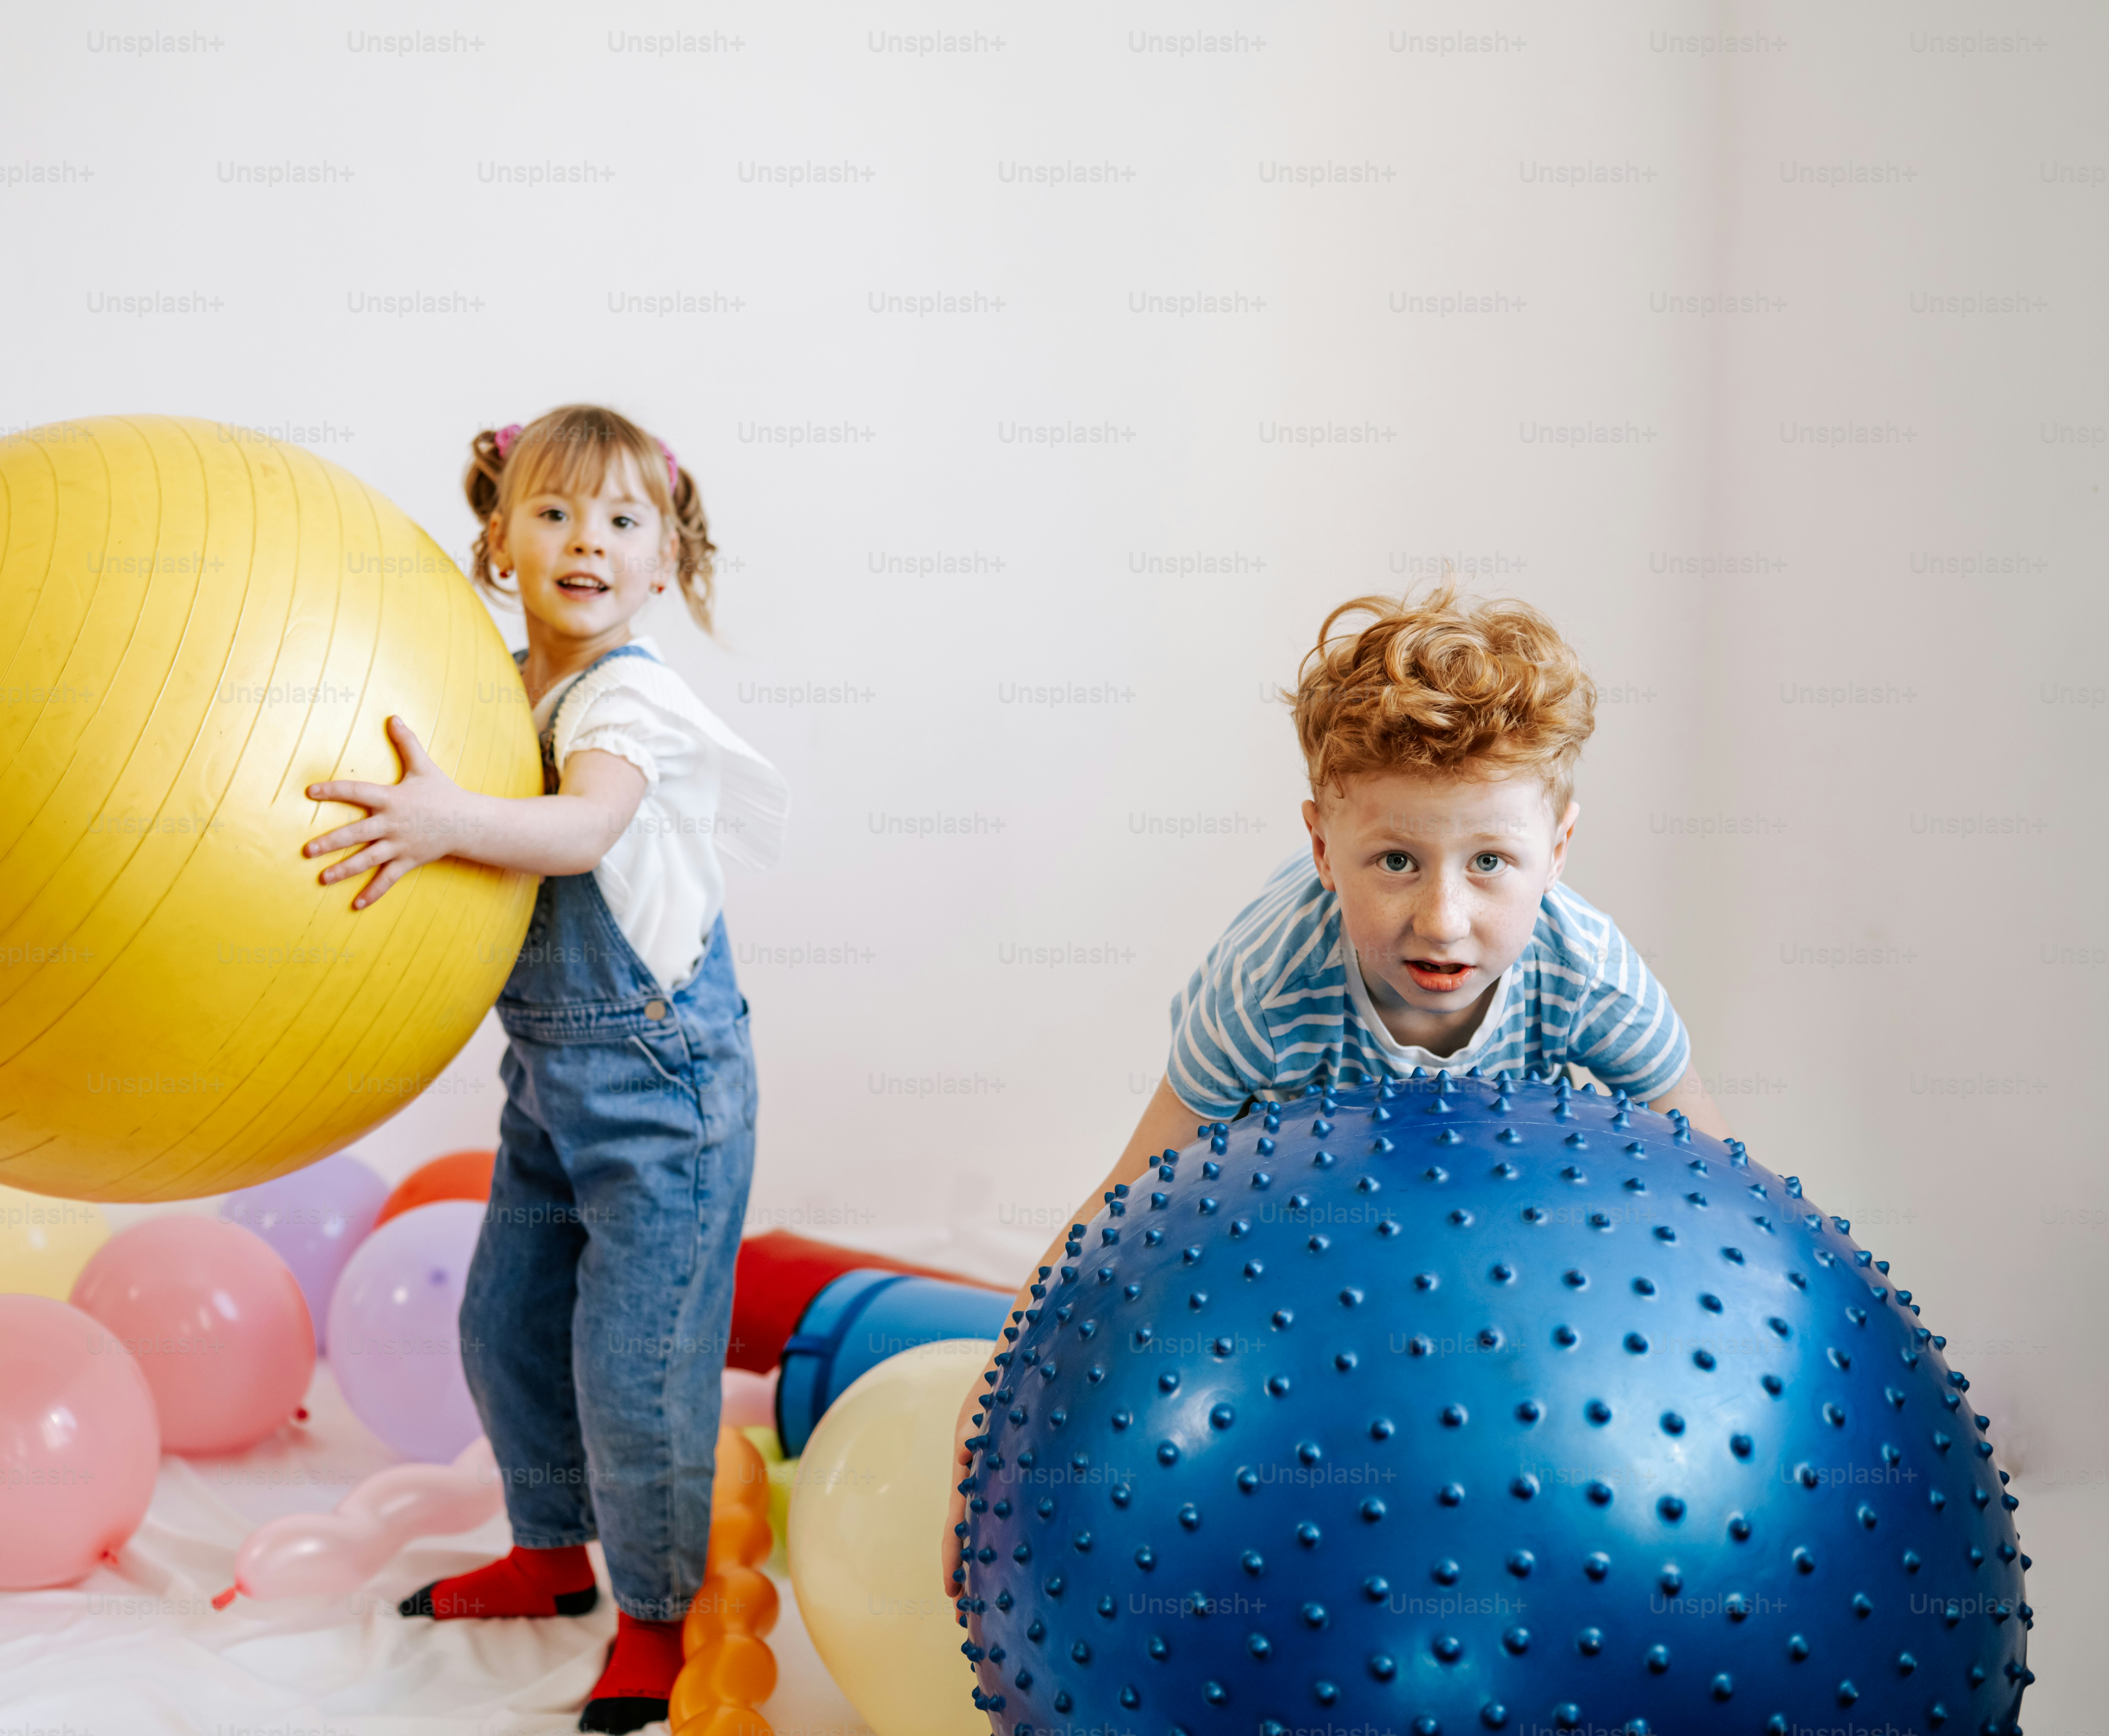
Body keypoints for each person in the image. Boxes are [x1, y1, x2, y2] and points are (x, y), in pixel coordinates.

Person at [939, 583, 1734, 1592]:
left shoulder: (1586, 967)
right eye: (1395, 860)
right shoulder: (1266, 984)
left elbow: (1721, 1181)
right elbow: (1124, 1200)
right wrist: (996, 1404)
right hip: (1301, 1286)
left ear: (1559, 851)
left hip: (1499, 1264)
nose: (1442, 918)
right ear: (1321, 846)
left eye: (1490, 861)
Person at [304, 406, 786, 1732]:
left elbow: (581, 826)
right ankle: (548, 1548)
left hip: (663, 1095)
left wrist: (446, 818)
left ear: (663, 561)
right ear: (498, 538)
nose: (587, 541)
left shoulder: (628, 696)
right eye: (555, 513)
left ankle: (653, 1607)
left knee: (633, 1364)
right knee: (506, 1324)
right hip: (550, 1080)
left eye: (622, 521)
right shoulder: (496, 674)